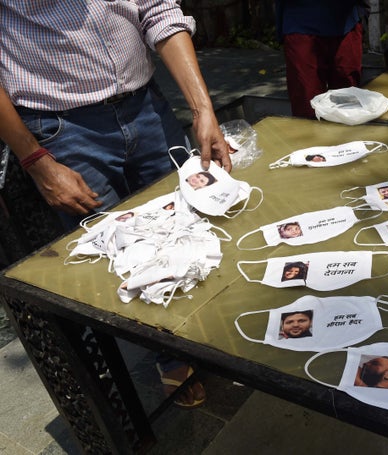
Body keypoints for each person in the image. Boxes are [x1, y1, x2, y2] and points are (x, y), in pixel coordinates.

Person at [0, 1, 232, 409]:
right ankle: (171, 352)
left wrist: (203, 109)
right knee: (123, 250)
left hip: (147, 107)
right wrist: (35, 160)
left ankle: (212, 329)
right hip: (63, 128)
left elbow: (158, 12)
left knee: (193, 218)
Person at [275, 0, 368, 117]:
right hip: (300, 23)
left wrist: (362, 15)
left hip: (346, 24)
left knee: (348, 104)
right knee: (307, 106)